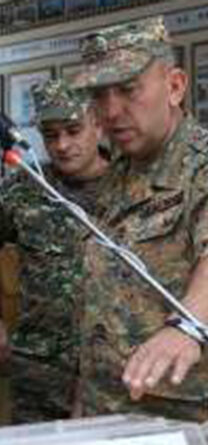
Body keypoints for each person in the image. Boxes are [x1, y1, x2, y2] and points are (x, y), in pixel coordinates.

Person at [0, 79, 109, 423]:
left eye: (73, 131)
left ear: (98, 125)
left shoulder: (132, 186)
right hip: (40, 377)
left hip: (116, 377)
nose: (62, 145)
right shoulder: (27, 188)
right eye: (51, 135)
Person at [73, 16, 208, 420]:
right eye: (99, 95)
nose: (111, 111)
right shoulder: (117, 174)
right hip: (107, 405)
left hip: (183, 412)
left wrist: (187, 325)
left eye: (129, 89)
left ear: (175, 87)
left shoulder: (200, 165)